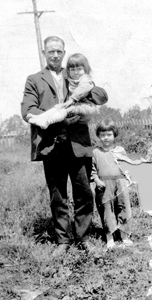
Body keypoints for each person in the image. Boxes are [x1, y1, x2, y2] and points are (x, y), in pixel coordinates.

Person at [21, 36, 108, 256]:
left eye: (59, 51)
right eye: (51, 51)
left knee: (83, 191)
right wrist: (60, 120)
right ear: (44, 53)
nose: (55, 55)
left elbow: (99, 96)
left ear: (64, 52)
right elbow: (28, 110)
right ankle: (63, 240)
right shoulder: (34, 79)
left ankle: (83, 236)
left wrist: (90, 90)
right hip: (52, 145)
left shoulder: (75, 74)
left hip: (78, 144)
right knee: (57, 194)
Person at [91, 119, 147, 249]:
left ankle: (124, 236)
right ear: (98, 135)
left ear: (114, 134)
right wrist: (97, 180)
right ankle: (109, 237)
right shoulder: (95, 152)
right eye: (103, 135)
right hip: (104, 185)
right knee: (106, 210)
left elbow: (127, 163)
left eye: (109, 134)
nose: (106, 138)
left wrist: (139, 163)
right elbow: (92, 170)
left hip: (121, 183)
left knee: (123, 207)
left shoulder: (120, 150)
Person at [26, 53, 97, 129]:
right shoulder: (73, 80)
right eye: (73, 70)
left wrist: (72, 99)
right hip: (78, 105)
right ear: (69, 71)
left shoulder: (85, 78)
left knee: (66, 110)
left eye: (79, 69)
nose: (76, 72)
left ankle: (46, 121)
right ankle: (40, 118)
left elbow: (83, 88)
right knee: (58, 107)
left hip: (87, 106)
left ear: (85, 69)